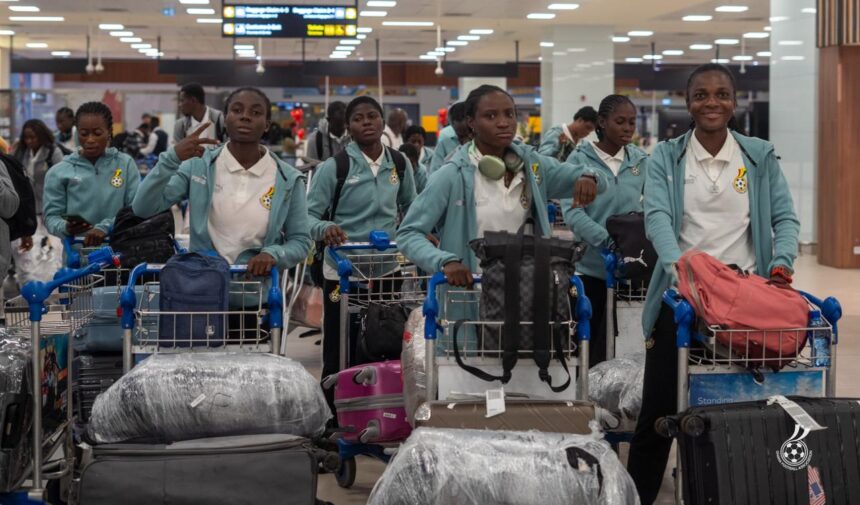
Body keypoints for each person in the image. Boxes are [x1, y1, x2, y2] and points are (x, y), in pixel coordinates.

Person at [626, 64, 799, 505]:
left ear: (734, 101)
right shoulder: (667, 156)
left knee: (741, 407)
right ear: (688, 102)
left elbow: (785, 217)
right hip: (680, 299)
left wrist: (780, 263)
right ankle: (636, 497)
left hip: (743, 302)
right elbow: (658, 218)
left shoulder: (758, 155)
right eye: (701, 95)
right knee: (659, 411)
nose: (711, 103)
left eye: (721, 94)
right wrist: (678, 267)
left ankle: (738, 489)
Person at [398, 84, 592, 286]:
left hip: (526, 293)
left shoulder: (533, 166)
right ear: (471, 122)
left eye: (509, 114)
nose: (503, 123)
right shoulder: (451, 175)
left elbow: (593, 178)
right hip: (471, 296)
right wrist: (445, 261)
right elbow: (409, 233)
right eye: (490, 116)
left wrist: (589, 177)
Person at [307, 96, 416, 411]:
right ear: (348, 126)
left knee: (383, 339)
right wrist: (325, 228)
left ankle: (379, 404)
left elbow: (412, 205)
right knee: (340, 342)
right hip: (343, 270)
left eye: (372, 116)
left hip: (386, 268)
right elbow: (308, 216)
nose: (366, 122)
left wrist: (418, 232)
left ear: (382, 122)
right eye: (358, 118)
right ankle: (333, 411)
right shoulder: (335, 167)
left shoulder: (398, 163)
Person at [132, 87, 311, 277]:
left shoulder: (287, 178)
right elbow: (143, 208)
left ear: (267, 124)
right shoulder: (198, 165)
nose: (245, 117)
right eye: (237, 110)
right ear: (225, 119)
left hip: (256, 296)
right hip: (203, 291)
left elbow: (300, 241)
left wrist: (273, 254)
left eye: (256, 112)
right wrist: (172, 158)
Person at [561, 95, 648, 368]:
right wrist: (609, 242)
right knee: (591, 347)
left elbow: (654, 206)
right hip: (592, 272)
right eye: (620, 121)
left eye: (632, 122)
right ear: (601, 122)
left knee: (627, 343)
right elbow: (573, 213)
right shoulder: (578, 161)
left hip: (634, 270)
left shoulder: (640, 161)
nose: (627, 128)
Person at [43, 102, 142, 246]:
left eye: (97, 133)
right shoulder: (59, 172)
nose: (90, 139)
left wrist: (106, 227)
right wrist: (65, 227)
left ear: (109, 132)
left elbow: (135, 208)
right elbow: (51, 217)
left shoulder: (125, 164)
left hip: (118, 255)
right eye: (84, 134)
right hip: (77, 256)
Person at [428, 102, 470, 174]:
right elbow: (434, 172)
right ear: (452, 125)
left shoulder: (482, 142)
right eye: (460, 136)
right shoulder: (444, 143)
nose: (464, 141)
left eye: (468, 134)